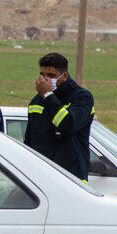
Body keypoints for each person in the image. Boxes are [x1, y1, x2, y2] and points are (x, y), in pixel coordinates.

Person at [24, 52, 95, 180]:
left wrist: (48, 95)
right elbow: (30, 140)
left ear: (65, 76)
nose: (45, 80)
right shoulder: (36, 101)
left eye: (51, 75)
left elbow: (67, 125)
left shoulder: (82, 98)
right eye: (42, 75)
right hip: (42, 176)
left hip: (72, 178)